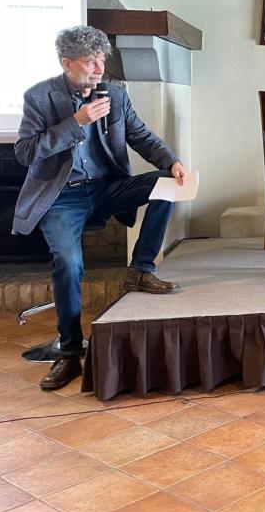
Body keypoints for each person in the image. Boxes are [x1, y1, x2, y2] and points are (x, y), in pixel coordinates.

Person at [13, 26, 186, 391]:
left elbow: (140, 136)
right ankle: (70, 355)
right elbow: (26, 152)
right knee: (70, 263)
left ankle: (140, 269)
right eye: (90, 61)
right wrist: (75, 123)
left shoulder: (115, 95)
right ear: (67, 63)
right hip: (62, 196)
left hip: (106, 188)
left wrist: (172, 162)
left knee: (166, 185)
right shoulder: (40, 97)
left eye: (102, 59)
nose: (98, 68)